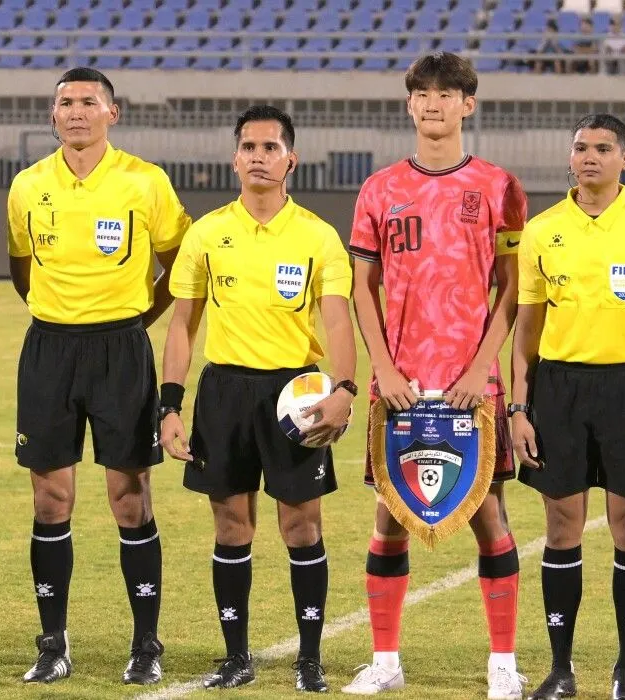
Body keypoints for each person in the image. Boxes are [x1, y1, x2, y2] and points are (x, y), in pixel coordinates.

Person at [344, 52, 529, 699]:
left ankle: (503, 666)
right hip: (399, 386)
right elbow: (361, 289)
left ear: (467, 105)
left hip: (472, 389)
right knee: (389, 516)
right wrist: (385, 368)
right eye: (422, 93)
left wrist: (482, 368)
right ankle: (385, 661)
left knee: (491, 515)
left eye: (446, 94)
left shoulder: (500, 188)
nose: (432, 103)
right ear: (409, 104)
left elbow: (514, 289)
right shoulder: (380, 189)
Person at [160, 105, 357, 693]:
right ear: (234, 158)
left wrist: (345, 389)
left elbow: (339, 322)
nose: (259, 157)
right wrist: (170, 406)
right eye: (249, 146)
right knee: (230, 526)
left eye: (271, 147)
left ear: (290, 159)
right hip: (223, 391)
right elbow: (180, 327)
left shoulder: (318, 236)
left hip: (295, 392)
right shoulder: (206, 232)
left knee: (301, 525)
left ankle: (311, 657)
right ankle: (236, 654)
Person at [6, 66, 191, 686]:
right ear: (52, 116)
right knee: (50, 497)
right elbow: (23, 270)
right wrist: (62, 317)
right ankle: (52, 643)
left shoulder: (146, 182)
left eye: (89, 102)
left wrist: (138, 319)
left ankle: (145, 644)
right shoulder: (29, 186)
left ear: (113, 113)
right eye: (66, 103)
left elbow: (179, 269)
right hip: (50, 350)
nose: (76, 111)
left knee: (128, 496)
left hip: (121, 348)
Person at [512, 113, 625, 700]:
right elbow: (525, 333)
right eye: (581, 147)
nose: (590, 156)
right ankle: (561, 671)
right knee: (561, 529)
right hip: (558, 390)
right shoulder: (542, 230)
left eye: (603, 148)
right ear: (570, 157)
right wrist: (519, 407)